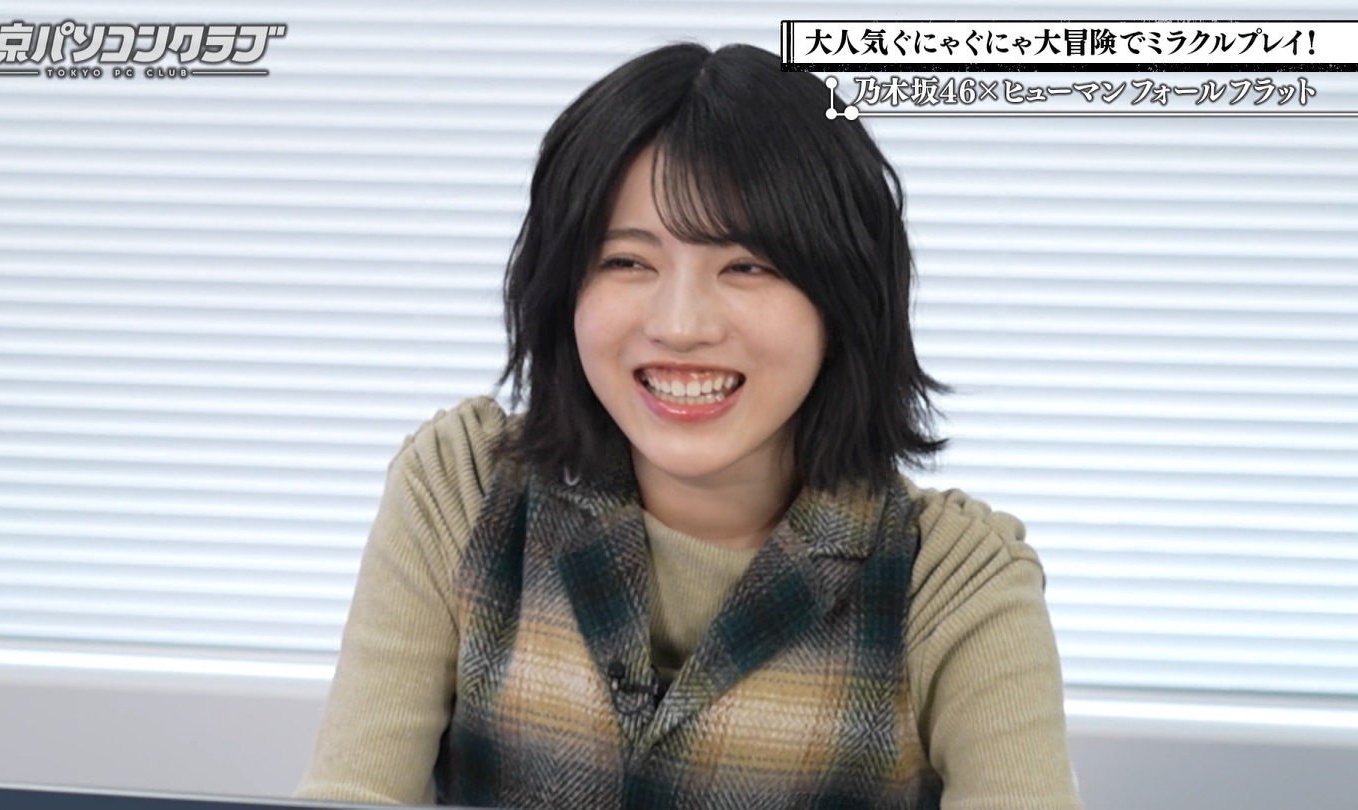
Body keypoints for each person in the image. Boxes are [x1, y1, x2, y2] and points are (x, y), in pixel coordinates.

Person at [298, 42, 1082, 809]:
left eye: (747, 266)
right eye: (627, 261)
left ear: (844, 297)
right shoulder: (463, 489)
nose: (679, 325)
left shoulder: (950, 579)